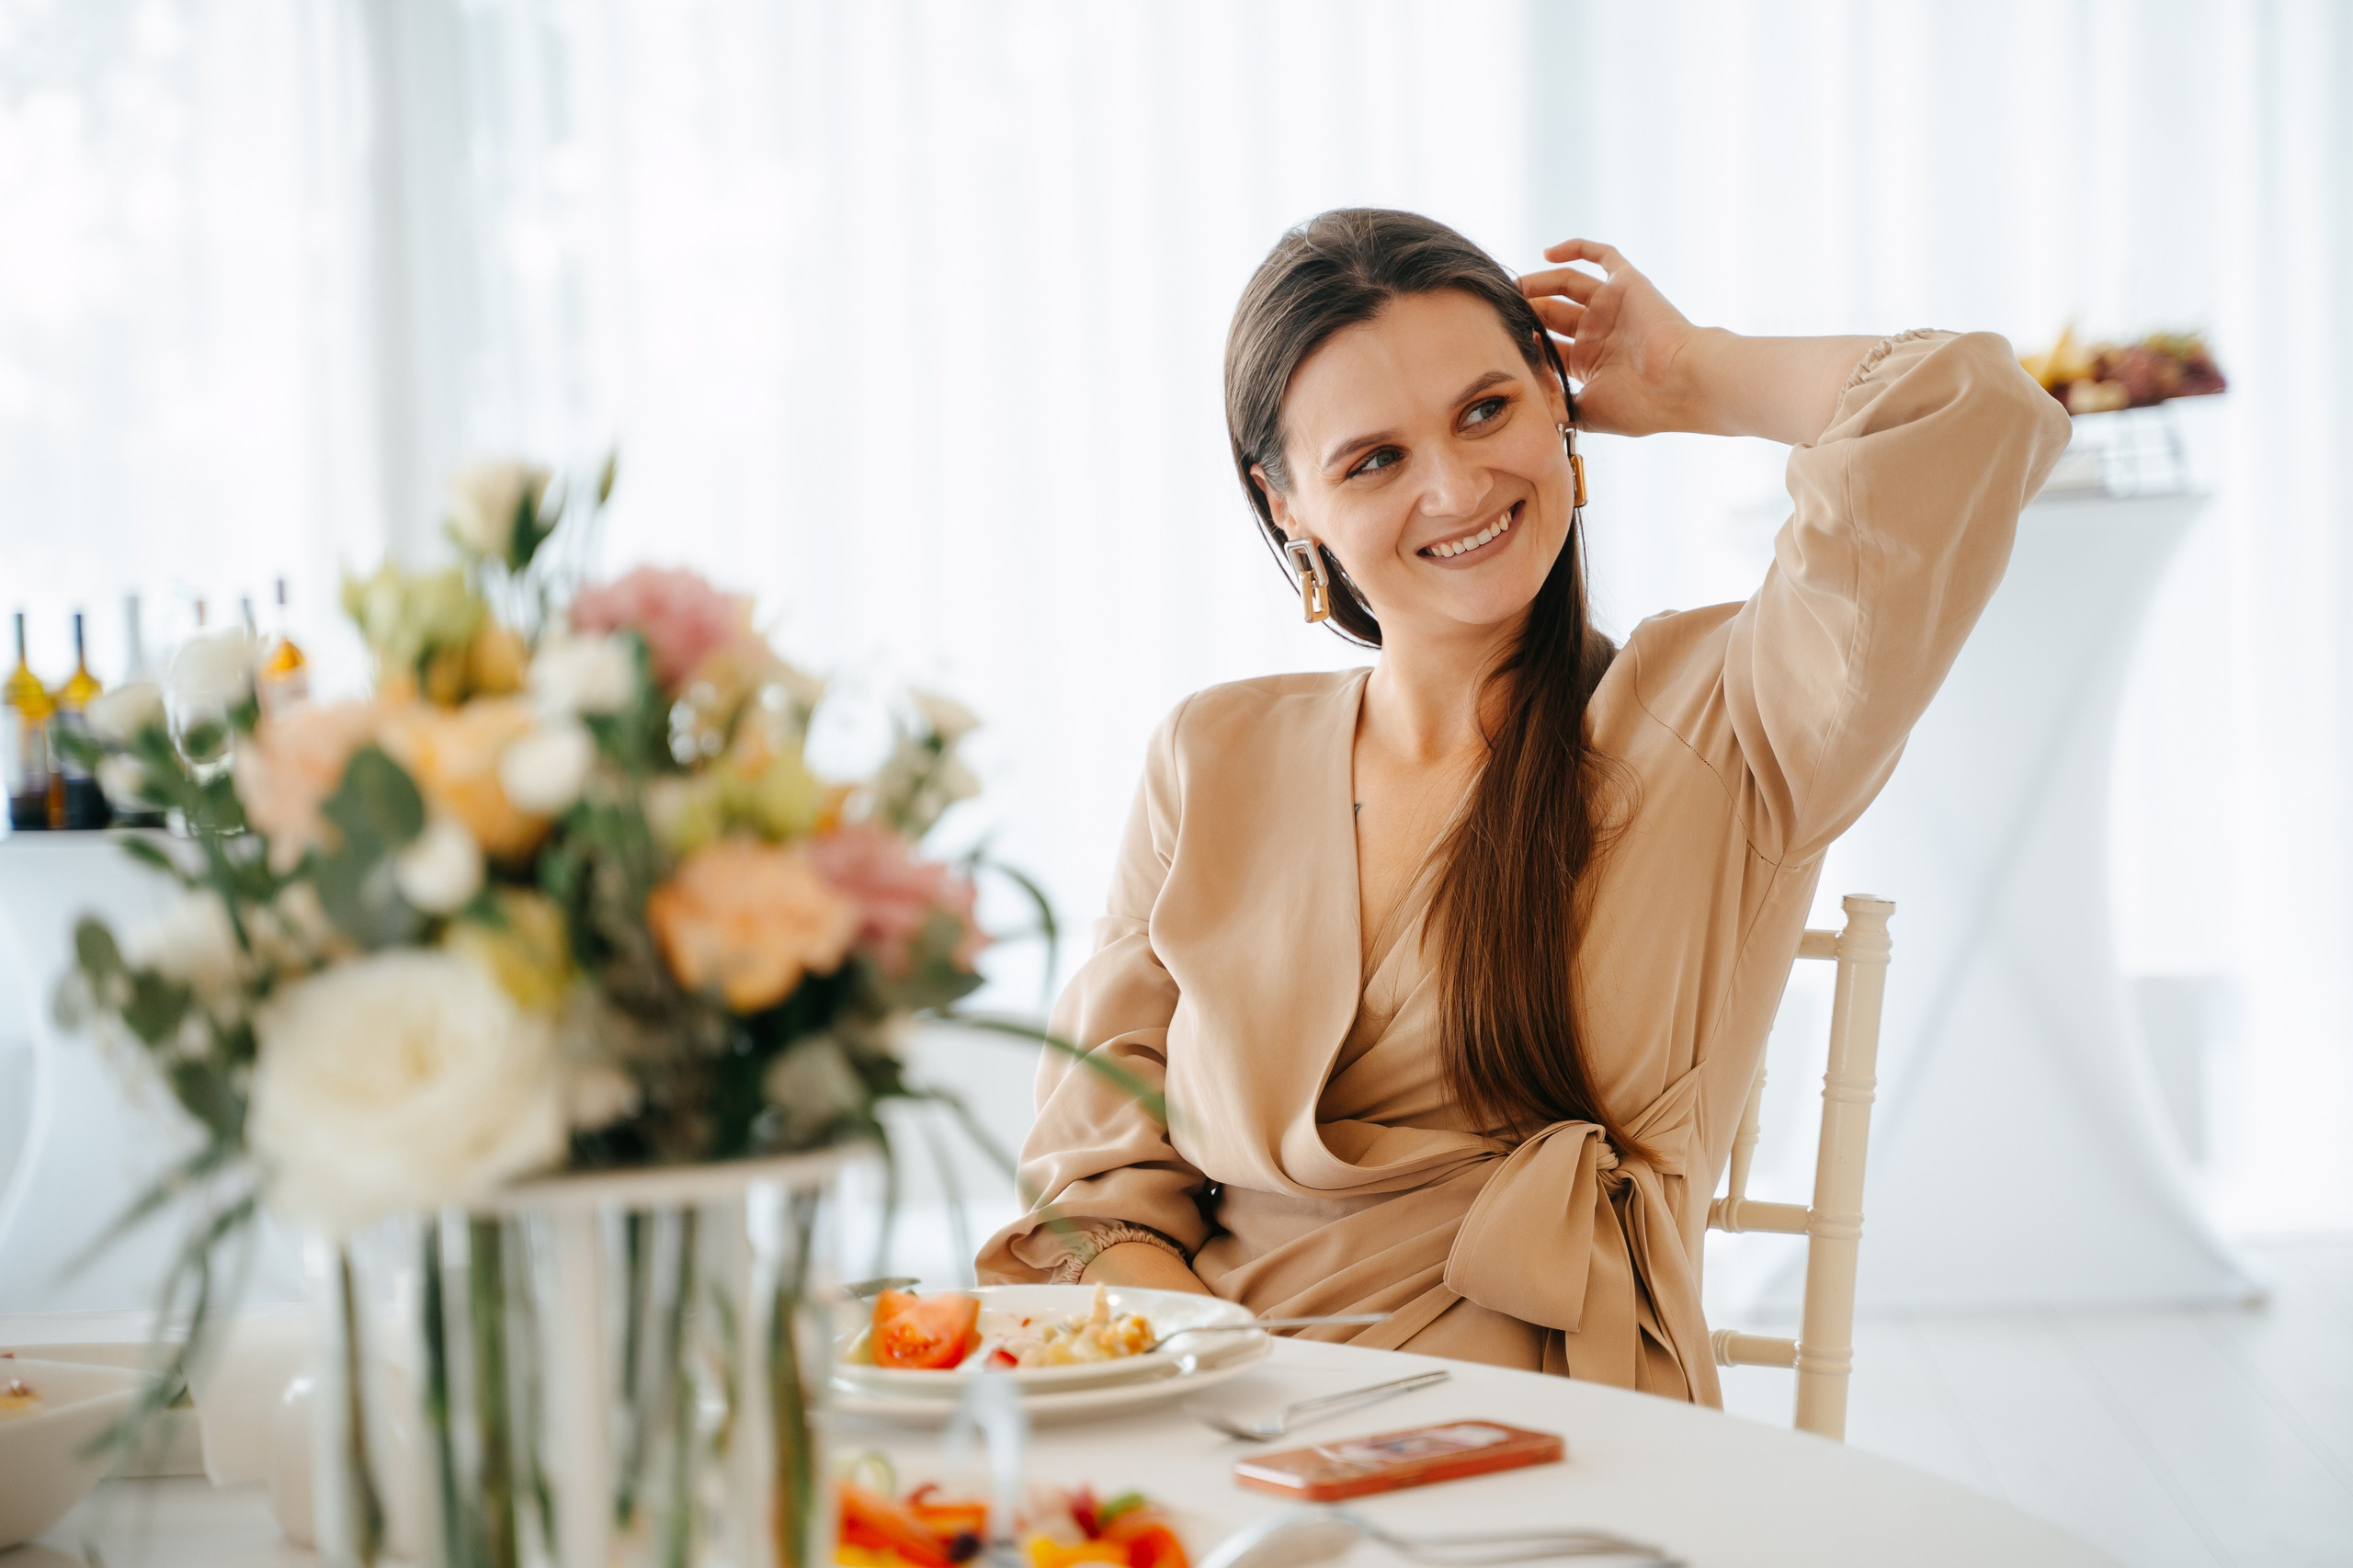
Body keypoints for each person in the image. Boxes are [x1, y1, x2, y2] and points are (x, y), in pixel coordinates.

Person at [976, 209, 2072, 1403]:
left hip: (1563, 1436)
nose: (1455, 485)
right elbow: (1090, 1190)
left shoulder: (1728, 720)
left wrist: (1685, 368)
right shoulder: (1210, 755)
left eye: (1487, 409)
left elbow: (1967, 406)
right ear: (1286, 502)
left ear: (1558, 405)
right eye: (1373, 458)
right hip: (1225, 1418)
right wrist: (1239, 1406)